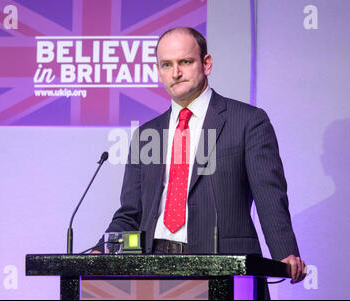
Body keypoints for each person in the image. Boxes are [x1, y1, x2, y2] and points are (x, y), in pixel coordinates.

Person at [92, 27, 306, 287]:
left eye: (185, 62)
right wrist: (102, 248)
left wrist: (285, 251)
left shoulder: (247, 121)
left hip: (222, 264)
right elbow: (131, 212)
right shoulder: (146, 134)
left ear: (206, 64)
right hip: (153, 267)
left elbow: (269, 194)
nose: (176, 73)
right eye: (166, 64)